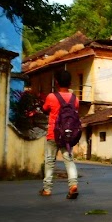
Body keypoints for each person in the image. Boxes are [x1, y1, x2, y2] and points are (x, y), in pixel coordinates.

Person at [40, 70, 79, 199]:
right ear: (70, 83)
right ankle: (73, 185)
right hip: (68, 136)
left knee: (50, 161)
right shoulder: (75, 99)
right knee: (69, 160)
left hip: (53, 134)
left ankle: (47, 189)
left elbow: (45, 109)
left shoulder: (51, 97)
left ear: (56, 82)